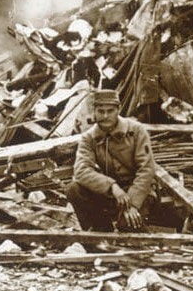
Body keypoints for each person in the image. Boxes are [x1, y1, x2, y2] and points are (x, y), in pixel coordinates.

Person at [66, 89, 156, 232]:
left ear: (118, 110)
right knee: (74, 190)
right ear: (94, 111)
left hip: (137, 191)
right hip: (110, 193)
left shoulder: (137, 131)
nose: (105, 116)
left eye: (110, 111)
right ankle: (100, 229)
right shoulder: (89, 138)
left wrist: (132, 205)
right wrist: (112, 186)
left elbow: (146, 169)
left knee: (128, 226)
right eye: (101, 111)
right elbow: (81, 171)